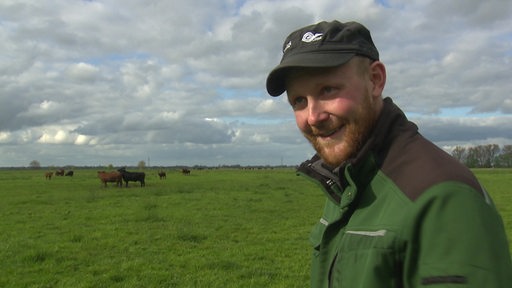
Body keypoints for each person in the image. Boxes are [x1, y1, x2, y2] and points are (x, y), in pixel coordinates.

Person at [266, 20, 512, 287]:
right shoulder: (347, 179)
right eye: (299, 101)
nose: (313, 117)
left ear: (375, 80)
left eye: (328, 90)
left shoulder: (443, 199)